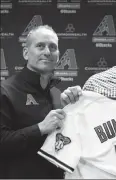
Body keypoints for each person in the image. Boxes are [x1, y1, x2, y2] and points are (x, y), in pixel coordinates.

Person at [0, 25, 66, 178]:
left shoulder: (57, 95)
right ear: (25, 53)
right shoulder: (5, 91)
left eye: (53, 47)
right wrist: (40, 128)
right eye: (40, 46)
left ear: (58, 55)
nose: (47, 52)